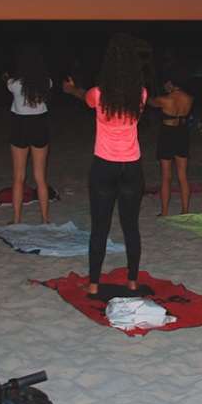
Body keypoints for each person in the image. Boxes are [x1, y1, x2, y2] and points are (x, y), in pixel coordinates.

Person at [63, 34, 149, 298]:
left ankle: (94, 284)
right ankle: (132, 281)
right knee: (131, 226)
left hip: (104, 166)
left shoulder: (98, 94)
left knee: (100, 227)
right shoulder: (141, 94)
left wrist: (71, 89)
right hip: (132, 166)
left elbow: (84, 97)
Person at [3, 45, 53, 225]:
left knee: (18, 177)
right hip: (39, 125)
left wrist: (7, 77)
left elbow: (9, 83)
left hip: (20, 126)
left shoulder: (14, 84)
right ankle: (45, 220)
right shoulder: (46, 82)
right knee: (40, 177)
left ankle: (16, 220)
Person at [149, 69, 194, 216]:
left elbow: (149, 102)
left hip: (167, 134)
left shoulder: (164, 100)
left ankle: (165, 211)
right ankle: (185, 210)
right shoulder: (189, 98)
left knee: (166, 176)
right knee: (182, 175)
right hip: (182, 134)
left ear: (170, 83)